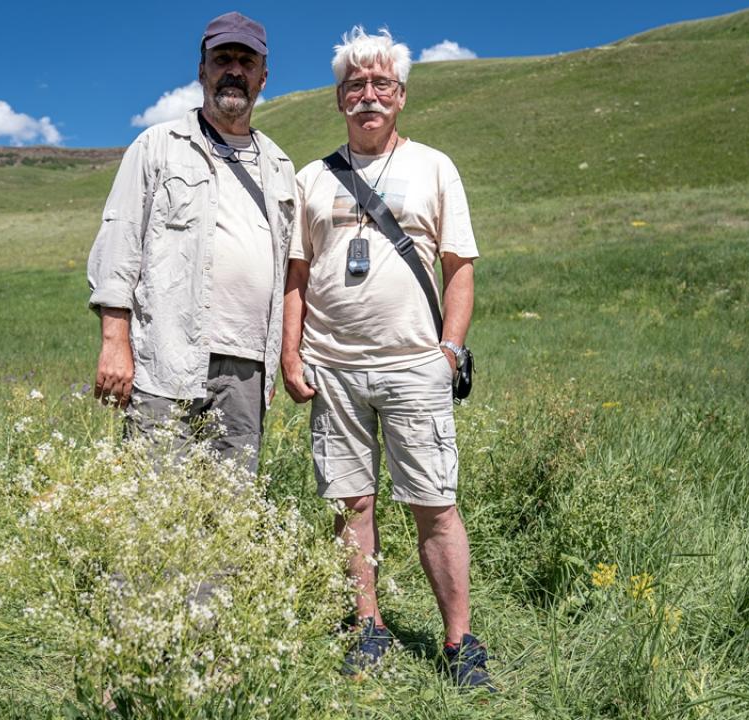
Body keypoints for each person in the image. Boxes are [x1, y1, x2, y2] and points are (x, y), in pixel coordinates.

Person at [280, 26, 492, 689]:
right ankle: (367, 626)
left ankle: (458, 642)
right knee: (353, 504)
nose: (367, 96)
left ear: (399, 96)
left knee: (434, 504)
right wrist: (292, 354)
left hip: (413, 366)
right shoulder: (311, 178)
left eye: (380, 85)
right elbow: (295, 274)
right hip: (333, 368)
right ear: (338, 99)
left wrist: (448, 351)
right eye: (355, 86)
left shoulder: (434, 165)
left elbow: (459, 266)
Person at [87, 12, 296, 473]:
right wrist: (114, 342)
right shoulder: (158, 146)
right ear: (202, 69)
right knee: (156, 505)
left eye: (247, 60)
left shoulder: (280, 166)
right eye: (223, 58)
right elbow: (119, 247)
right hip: (167, 358)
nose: (234, 70)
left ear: (264, 76)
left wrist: (277, 358)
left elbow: (286, 273)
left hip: (246, 368)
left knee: (230, 509)